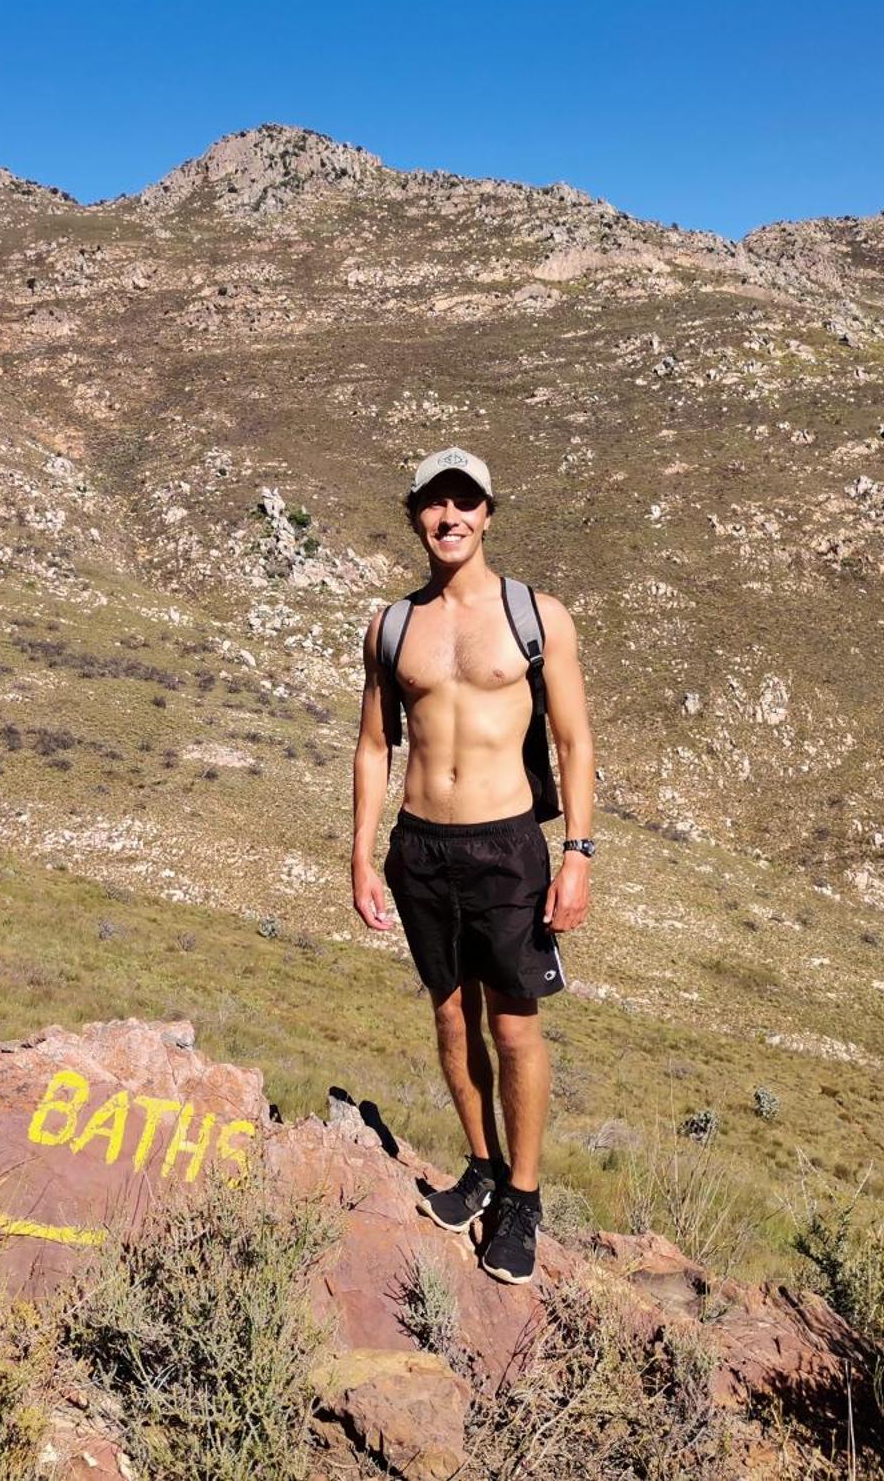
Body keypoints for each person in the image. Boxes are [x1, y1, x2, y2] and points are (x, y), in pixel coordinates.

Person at [350, 446, 595, 1285]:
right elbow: (374, 745)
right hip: (421, 847)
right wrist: (359, 852)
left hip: (507, 847)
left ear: (488, 513)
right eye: (433, 503)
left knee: (514, 1025)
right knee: (451, 1021)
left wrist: (579, 856)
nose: (448, 518)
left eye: (465, 503)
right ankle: (482, 1164)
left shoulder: (538, 618)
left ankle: (522, 1198)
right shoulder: (391, 626)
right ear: (416, 514)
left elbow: (572, 741)